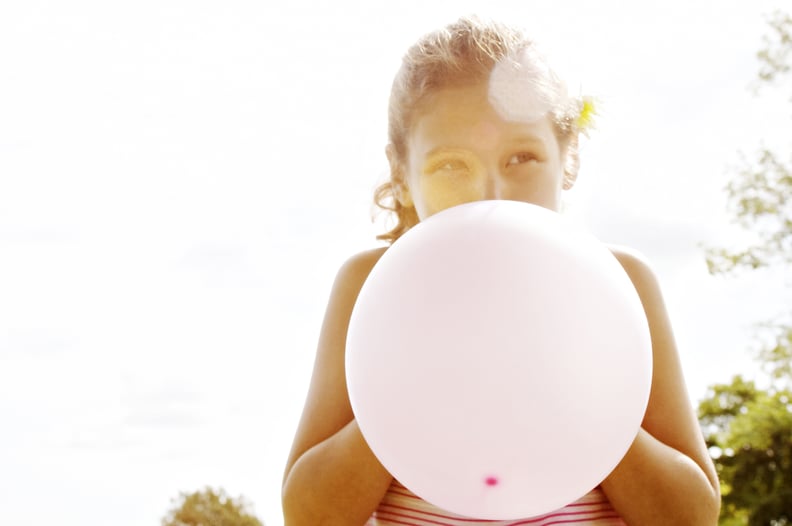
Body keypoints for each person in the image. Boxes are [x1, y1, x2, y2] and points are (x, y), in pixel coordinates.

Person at [282, 16, 720, 526]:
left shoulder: (622, 286)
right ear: (402, 175)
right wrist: (410, 388)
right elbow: (308, 514)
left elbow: (691, 515)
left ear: (568, 158)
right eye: (450, 165)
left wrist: (573, 391)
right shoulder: (371, 290)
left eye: (521, 158)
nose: (490, 195)